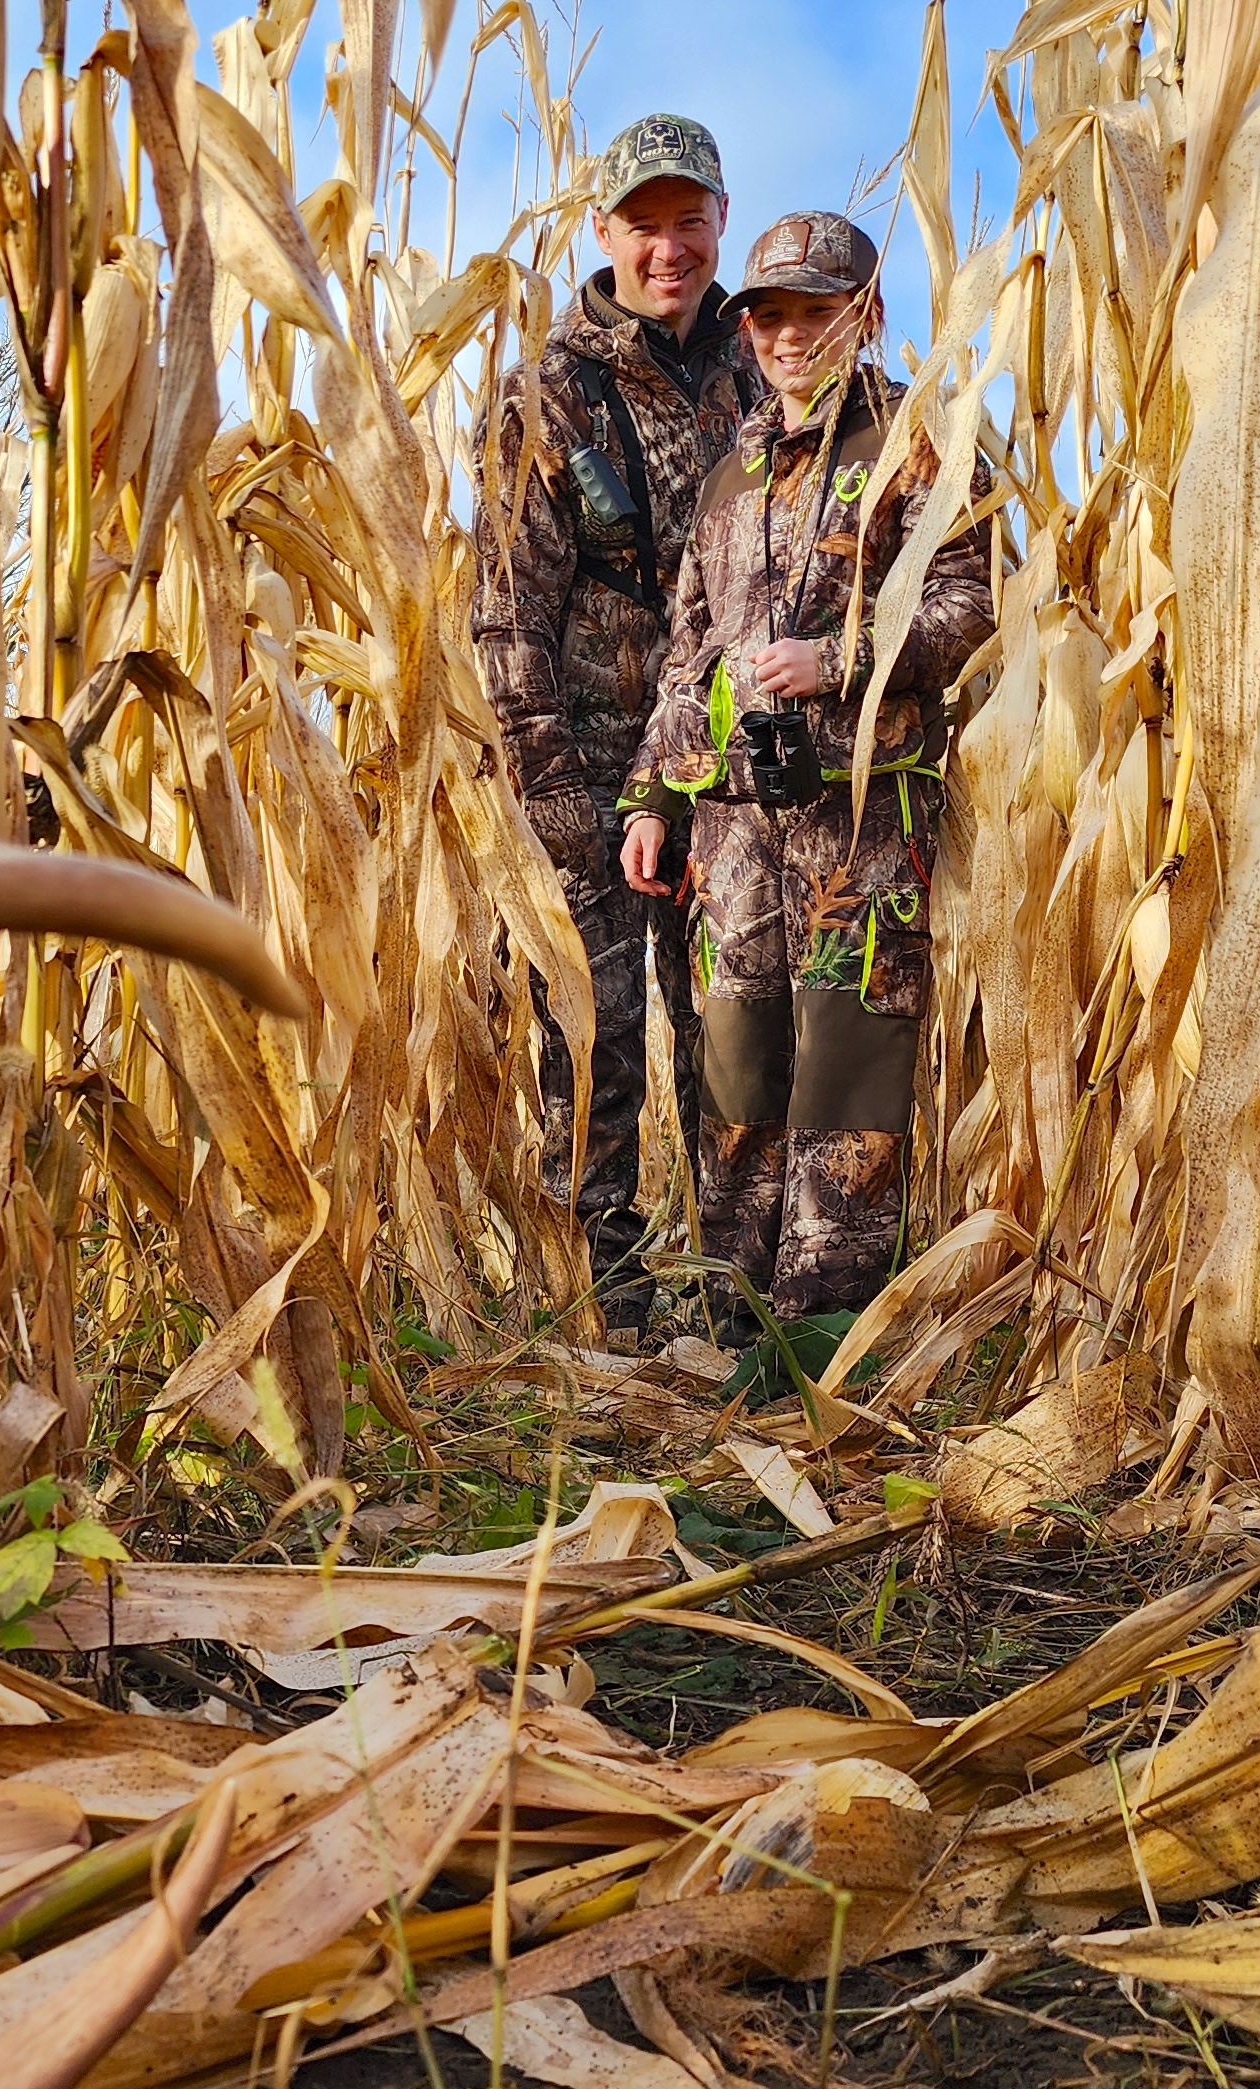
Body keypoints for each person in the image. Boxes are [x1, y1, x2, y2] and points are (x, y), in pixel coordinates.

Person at [618, 212, 995, 1337]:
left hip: (860, 824)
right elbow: (685, 649)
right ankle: (736, 1334)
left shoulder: (919, 439)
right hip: (731, 837)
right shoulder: (732, 473)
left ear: (865, 315)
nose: (789, 335)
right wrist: (652, 796)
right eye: (769, 314)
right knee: (735, 1075)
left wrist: (840, 662)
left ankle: (825, 1348)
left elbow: (974, 603)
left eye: (815, 311)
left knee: (848, 1088)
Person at [471, 114, 761, 1339]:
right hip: (579, 764)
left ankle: (734, 1291)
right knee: (591, 1038)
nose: (667, 247)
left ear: (719, 221)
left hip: (731, 766)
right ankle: (601, 1300)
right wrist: (543, 794)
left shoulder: (769, 368)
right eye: (642, 224)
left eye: (687, 221)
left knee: (734, 1026)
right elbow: (505, 612)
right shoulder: (544, 393)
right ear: (602, 232)